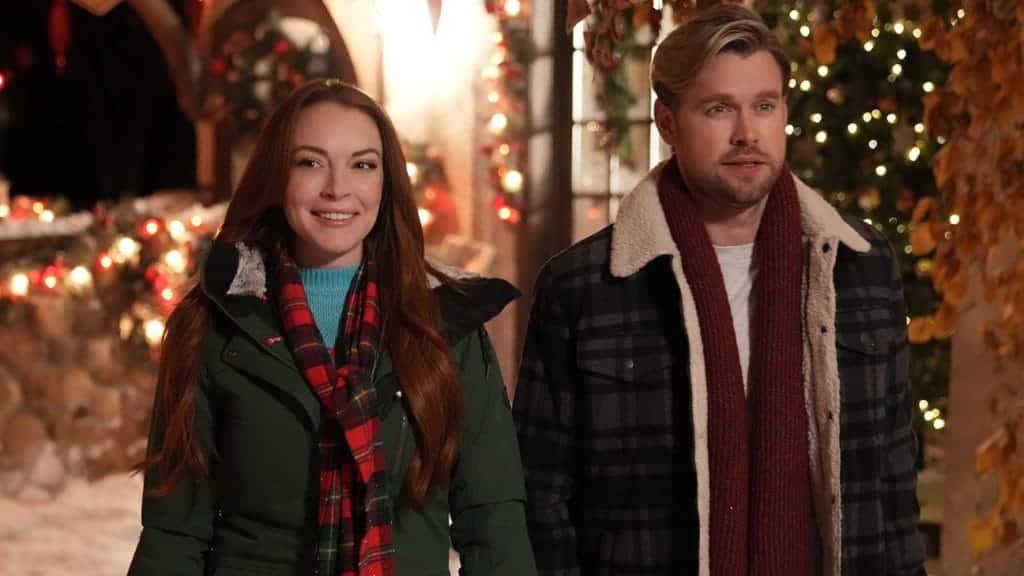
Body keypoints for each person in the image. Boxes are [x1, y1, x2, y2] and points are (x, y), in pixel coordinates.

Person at [513, 4, 926, 575]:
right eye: (718, 109)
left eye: (764, 106)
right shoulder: (585, 286)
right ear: (667, 123)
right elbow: (541, 499)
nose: (746, 133)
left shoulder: (861, 265)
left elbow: (894, 478)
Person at [128, 79, 537, 576]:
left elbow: (493, 518)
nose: (337, 188)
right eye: (311, 162)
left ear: (386, 184)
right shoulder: (215, 322)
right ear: (277, 176)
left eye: (362, 164)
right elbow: (175, 530)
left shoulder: (444, 324)